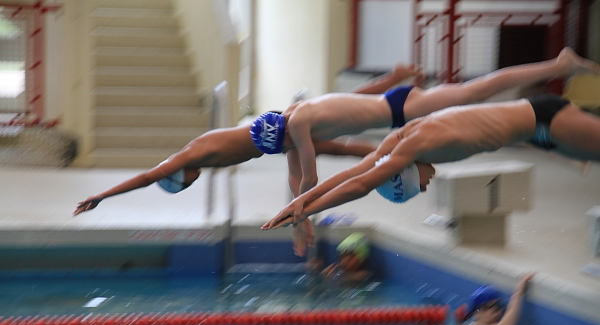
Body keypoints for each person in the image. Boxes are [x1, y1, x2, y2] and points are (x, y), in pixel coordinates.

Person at [250, 48, 600, 206]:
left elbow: (310, 177)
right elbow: (300, 175)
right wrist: (298, 209)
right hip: (396, 110)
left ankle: (558, 65)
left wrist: (302, 209)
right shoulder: (294, 122)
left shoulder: (299, 126)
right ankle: (563, 145)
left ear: (282, 134)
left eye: (282, 147)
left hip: (403, 108)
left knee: (479, 91)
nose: (285, 152)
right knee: (488, 115)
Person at [73, 63, 423, 216]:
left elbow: (147, 177)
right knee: (343, 121)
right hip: (274, 140)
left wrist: (102, 196)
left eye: (184, 184)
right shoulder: (197, 159)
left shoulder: (188, 156)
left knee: (343, 125)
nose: (191, 183)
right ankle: (398, 135)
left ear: (178, 175)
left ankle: (398, 110)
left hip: (273, 133)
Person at [262, 90, 600, 230]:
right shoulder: (394, 145)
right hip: (539, 133)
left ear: (404, 174)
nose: (427, 187)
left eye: (419, 187)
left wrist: (305, 211)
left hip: (544, 120)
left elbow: (362, 184)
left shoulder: (413, 146)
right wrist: (301, 201)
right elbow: (358, 171)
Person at [459, 272, 536, 325]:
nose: (493, 310)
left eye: (497, 306)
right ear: (476, 313)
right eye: (486, 307)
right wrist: (519, 292)